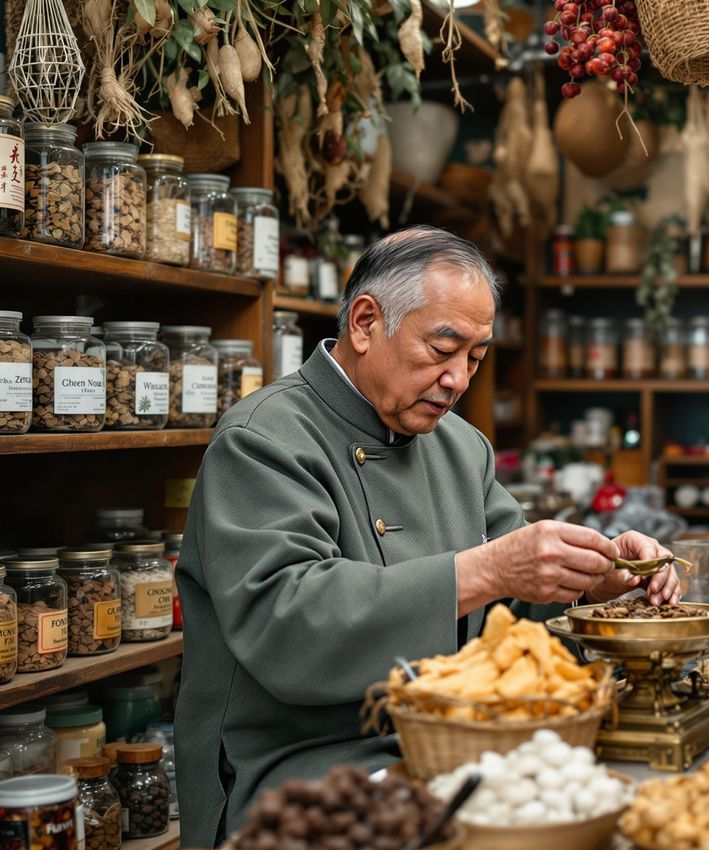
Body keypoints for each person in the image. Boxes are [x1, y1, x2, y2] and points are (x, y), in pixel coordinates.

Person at [175, 226, 680, 847]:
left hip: (451, 747)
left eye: (476, 356)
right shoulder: (263, 439)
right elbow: (288, 621)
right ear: (365, 323)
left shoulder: (461, 447)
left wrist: (599, 578)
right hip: (298, 769)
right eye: (443, 348)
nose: (458, 380)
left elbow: (515, 605)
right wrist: (490, 570)